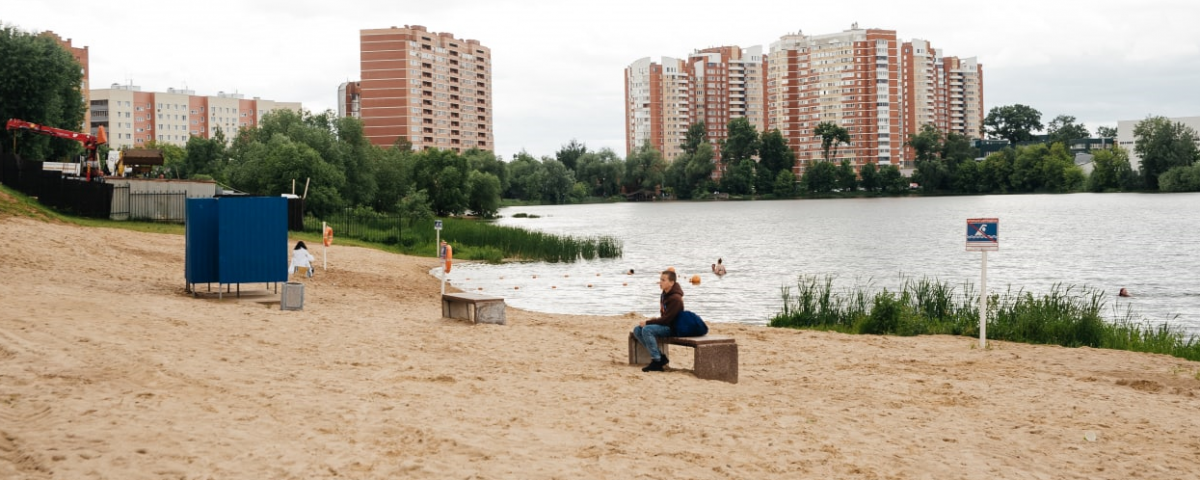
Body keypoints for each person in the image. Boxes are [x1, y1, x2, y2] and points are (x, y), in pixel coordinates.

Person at [631, 270, 684, 372]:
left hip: (673, 328)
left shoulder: (676, 299)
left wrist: (648, 322)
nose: (660, 282)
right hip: (665, 325)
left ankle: (656, 360)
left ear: (671, 283)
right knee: (637, 330)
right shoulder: (664, 293)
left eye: (663, 280)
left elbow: (667, 319)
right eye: (660, 279)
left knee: (647, 329)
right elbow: (664, 317)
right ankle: (660, 357)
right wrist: (649, 323)